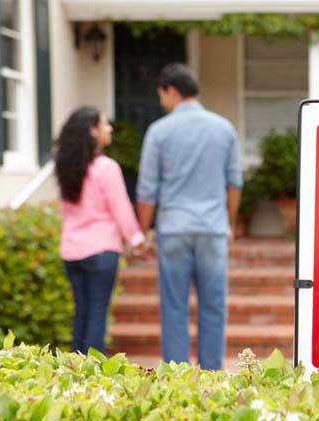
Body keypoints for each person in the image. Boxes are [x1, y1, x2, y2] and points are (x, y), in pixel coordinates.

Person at [136, 63, 243, 370]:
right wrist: (230, 224)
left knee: (174, 307)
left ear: (171, 90)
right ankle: (211, 375)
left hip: (173, 228)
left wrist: (143, 231)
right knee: (213, 306)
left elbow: (147, 189)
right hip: (212, 228)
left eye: (161, 96)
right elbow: (234, 182)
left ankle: (177, 378)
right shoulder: (224, 128)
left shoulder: (159, 131)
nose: (161, 103)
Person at [55, 106, 145, 355]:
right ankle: (93, 375)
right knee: (97, 313)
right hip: (101, 251)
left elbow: (65, 212)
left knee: (81, 311)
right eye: (105, 124)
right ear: (93, 131)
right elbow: (121, 208)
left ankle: (75, 374)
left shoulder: (64, 167)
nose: (110, 128)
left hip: (71, 251)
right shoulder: (106, 167)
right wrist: (136, 239)